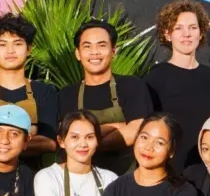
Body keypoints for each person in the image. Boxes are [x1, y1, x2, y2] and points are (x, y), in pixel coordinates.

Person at [58, 20, 153, 175]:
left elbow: (137, 130)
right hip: (80, 179)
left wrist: (85, 141)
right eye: (87, 46)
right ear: (78, 53)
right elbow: (66, 137)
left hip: (126, 179)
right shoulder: (67, 94)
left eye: (101, 45)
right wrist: (117, 126)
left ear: (113, 51)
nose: (94, 52)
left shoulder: (131, 85)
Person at [145, 0, 210, 173]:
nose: (186, 34)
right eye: (178, 28)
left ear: (201, 33)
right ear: (168, 34)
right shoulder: (156, 77)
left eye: (193, 28)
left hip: (209, 170)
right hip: (170, 173)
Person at [0, 13, 59, 159]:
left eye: (17, 43)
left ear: (29, 49)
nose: (10, 51)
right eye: (2, 44)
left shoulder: (45, 91)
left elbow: (49, 143)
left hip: (32, 170)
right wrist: (29, 135)